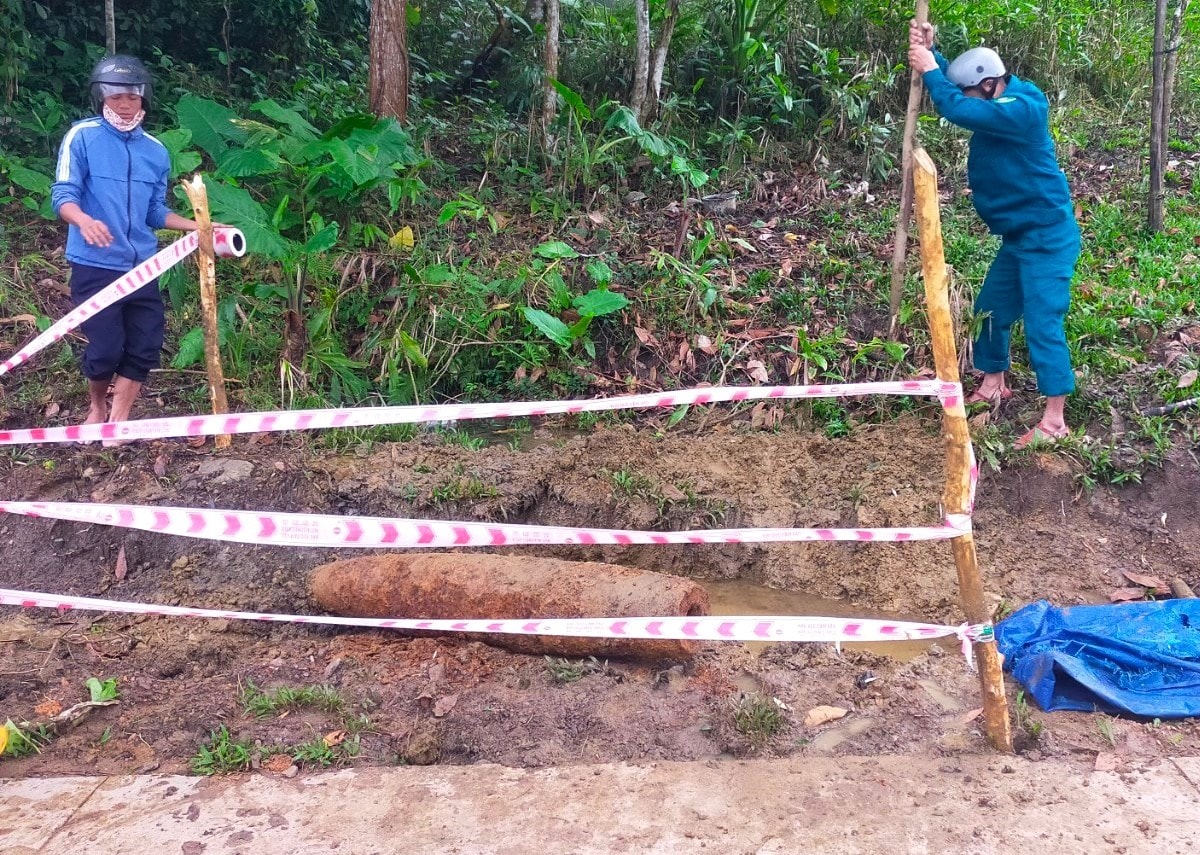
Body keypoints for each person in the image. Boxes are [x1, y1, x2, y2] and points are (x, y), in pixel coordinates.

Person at [908, 21, 1081, 448]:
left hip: (1048, 237)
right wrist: (934, 53)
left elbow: (963, 109)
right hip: (1019, 238)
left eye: (972, 92)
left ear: (989, 86)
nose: (969, 101)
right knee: (990, 310)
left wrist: (930, 69)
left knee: (1043, 321)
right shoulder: (996, 98)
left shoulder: (1025, 107)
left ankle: (1055, 421)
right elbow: (963, 96)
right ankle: (993, 381)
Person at [50, 55, 200, 439]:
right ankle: (97, 406)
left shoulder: (156, 151)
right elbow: (63, 195)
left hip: (142, 268)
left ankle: (119, 420)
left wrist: (199, 225)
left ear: (144, 99)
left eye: (132, 96)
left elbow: (155, 211)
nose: (124, 103)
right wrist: (83, 220)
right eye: (115, 96)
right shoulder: (81, 136)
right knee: (104, 350)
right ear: (100, 97)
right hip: (94, 263)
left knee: (146, 347)